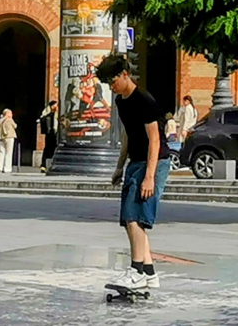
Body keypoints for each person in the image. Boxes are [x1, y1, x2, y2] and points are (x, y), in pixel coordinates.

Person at [99, 53, 169, 294]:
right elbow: (129, 133)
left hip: (154, 162)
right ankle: (149, 274)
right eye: (108, 83)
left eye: (113, 81)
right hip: (135, 162)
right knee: (129, 217)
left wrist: (149, 176)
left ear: (125, 75)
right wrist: (120, 166)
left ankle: (137, 271)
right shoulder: (122, 101)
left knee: (135, 217)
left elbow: (155, 139)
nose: (112, 86)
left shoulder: (144, 100)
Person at [39, 100, 59, 172]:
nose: (57, 107)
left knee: (52, 148)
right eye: (55, 105)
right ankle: (44, 165)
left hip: (53, 134)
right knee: (48, 148)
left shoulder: (55, 114)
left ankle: (48, 165)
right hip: (51, 134)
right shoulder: (48, 114)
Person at [0, 108, 17, 174]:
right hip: (9, 137)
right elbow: (15, 126)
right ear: (7, 114)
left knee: (2, 153)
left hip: (1, 138)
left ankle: (0, 167)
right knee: (8, 153)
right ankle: (7, 168)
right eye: (10, 113)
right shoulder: (10, 120)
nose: (11, 114)